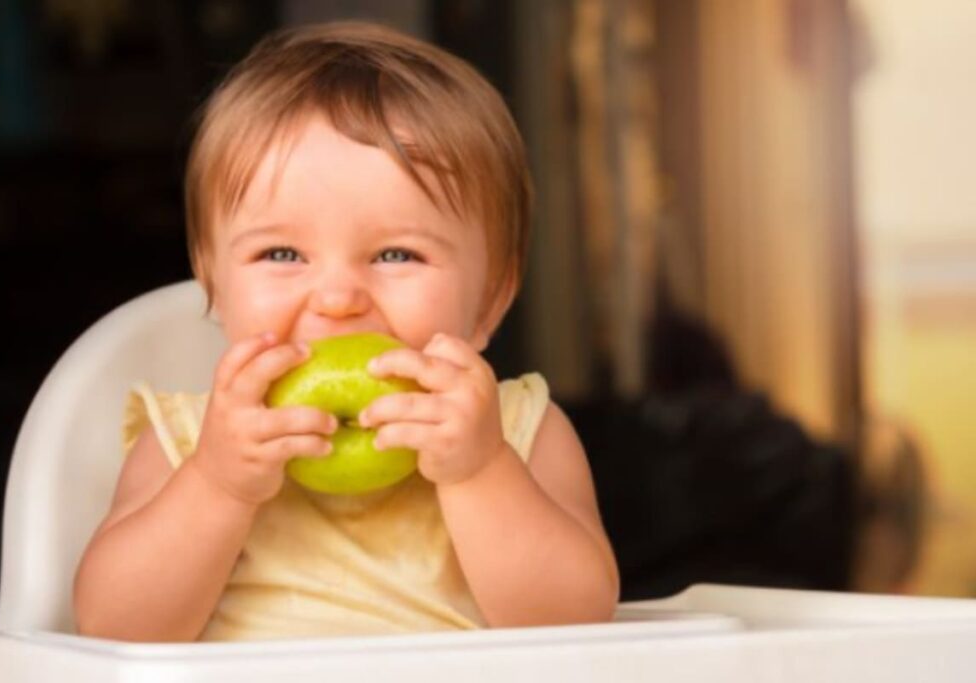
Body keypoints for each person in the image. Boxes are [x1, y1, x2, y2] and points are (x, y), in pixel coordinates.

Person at [72, 22, 618, 642]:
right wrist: (218, 483)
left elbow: (578, 625)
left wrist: (479, 471)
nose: (337, 300)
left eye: (395, 256)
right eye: (281, 254)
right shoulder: (186, 443)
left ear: (491, 299)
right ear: (214, 286)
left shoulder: (519, 433)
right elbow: (112, 628)